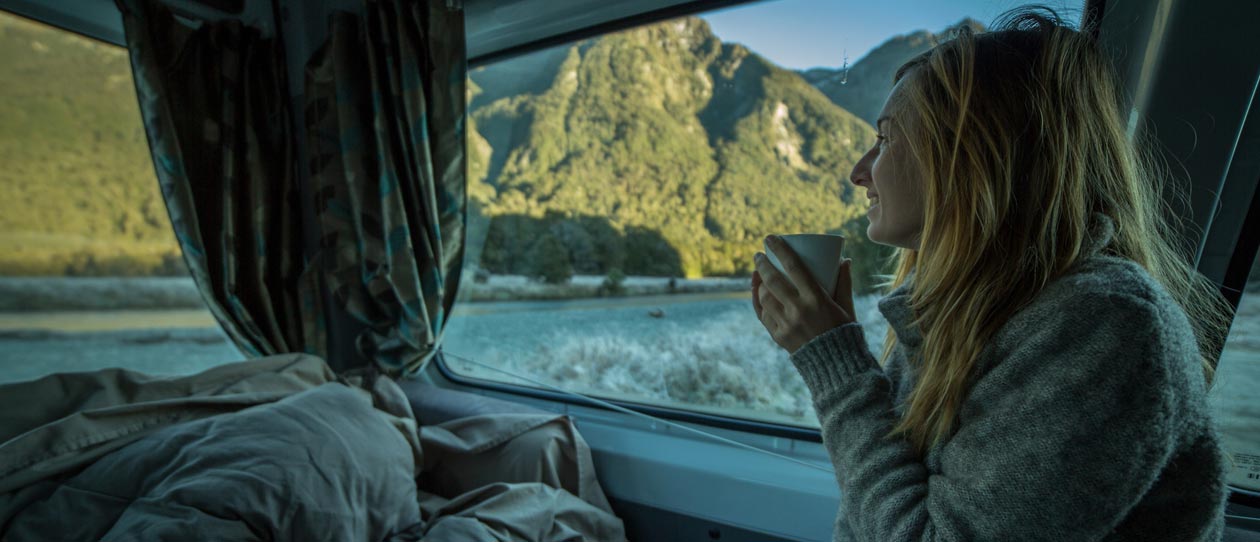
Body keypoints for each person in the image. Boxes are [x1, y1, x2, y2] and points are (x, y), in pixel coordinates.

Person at [750, 7, 1235, 542]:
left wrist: (832, 360)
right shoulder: (955, 312)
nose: (859, 171)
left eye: (886, 139)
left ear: (972, 154)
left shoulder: (1106, 325)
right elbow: (874, 515)